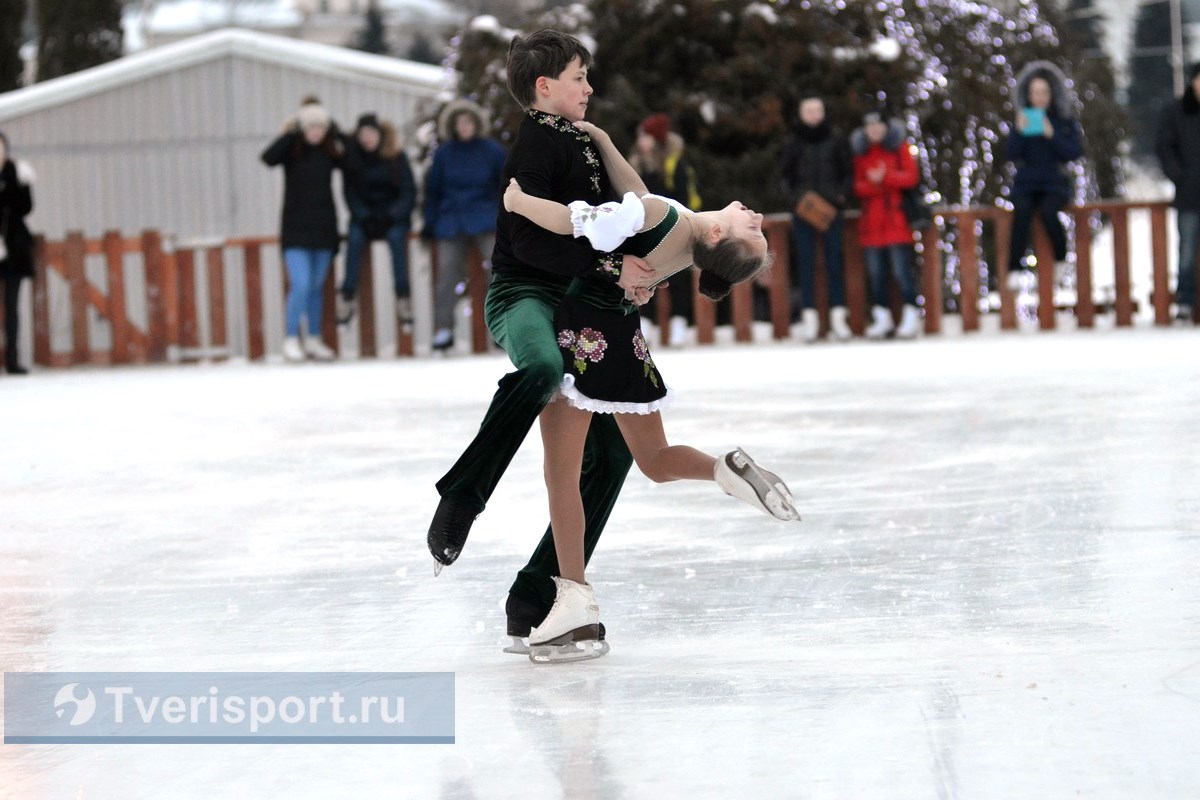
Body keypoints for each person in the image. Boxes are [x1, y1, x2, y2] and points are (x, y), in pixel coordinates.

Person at [502, 123, 800, 658]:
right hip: (623, 343)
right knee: (656, 459)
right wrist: (602, 140)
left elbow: (575, 222)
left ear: (717, 237)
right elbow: (639, 195)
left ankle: (575, 604)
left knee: (562, 477)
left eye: (752, 230)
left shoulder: (667, 219)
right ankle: (720, 468)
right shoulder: (683, 241)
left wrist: (520, 203)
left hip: (579, 338)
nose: (756, 218)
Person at [425, 30, 656, 654]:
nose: (590, 88)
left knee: (612, 456)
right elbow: (528, 241)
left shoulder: (584, 141)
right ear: (544, 86)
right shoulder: (538, 136)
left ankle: (536, 595)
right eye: (580, 77)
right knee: (542, 369)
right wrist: (608, 267)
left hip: (582, 307)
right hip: (524, 296)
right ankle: (462, 497)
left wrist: (633, 272)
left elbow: (626, 220)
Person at [261, 96, 343, 362]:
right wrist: (292, 131)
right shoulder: (292, 151)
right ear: (303, 129)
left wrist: (336, 129)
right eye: (311, 127)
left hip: (323, 230)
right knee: (302, 283)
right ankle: (291, 338)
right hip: (295, 231)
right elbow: (268, 157)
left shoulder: (328, 153)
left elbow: (351, 157)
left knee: (316, 287)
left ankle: (315, 338)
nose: (316, 132)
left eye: (321, 127)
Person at [422, 99, 507, 351]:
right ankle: (444, 329)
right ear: (453, 126)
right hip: (451, 219)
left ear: (476, 123)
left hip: (485, 217)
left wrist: (507, 220)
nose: (465, 127)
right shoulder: (444, 153)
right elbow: (432, 191)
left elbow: (504, 186)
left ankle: (501, 327)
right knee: (447, 273)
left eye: (469, 121)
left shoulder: (492, 151)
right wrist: (429, 222)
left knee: (499, 270)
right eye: (460, 122)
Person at [779, 93, 854, 342]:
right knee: (806, 264)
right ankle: (809, 320)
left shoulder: (836, 139)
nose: (813, 115)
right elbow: (783, 177)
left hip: (832, 211)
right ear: (801, 114)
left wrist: (840, 196)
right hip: (803, 212)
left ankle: (838, 319)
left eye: (817, 110)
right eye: (808, 110)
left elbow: (848, 173)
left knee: (835, 262)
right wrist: (795, 200)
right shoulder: (793, 142)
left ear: (824, 112)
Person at [1005, 62, 1083, 295]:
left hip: (1054, 182)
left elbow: (1072, 152)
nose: (1039, 97)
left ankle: (1060, 259)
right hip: (1027, 183)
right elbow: (1011, 154)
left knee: (1050, 212)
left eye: (1044, 92)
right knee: (1022, 212)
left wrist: (1052, 134)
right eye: (1035, 92)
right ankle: (1014, 269)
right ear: (1028, 95)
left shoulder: (1064, 120)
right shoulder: (1022, 119)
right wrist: (1018, 131)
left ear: (1052, 94)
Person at [337, 113, 417, 330]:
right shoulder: (352, 161)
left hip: (393, 217)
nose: (367, 138)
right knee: (354, 240)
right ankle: (347, 296)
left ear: (380, 135)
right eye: (363, 134)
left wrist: (391, 215)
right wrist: (364, 216)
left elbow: (408, 191)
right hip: (365, 217)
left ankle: (403, 298)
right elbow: (350, 193)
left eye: (371, 133)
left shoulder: (396, 157)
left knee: (395, 240)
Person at [628, 113, 703, 345]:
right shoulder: (636, 162)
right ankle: (647, 325)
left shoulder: (672, 162)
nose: (642, 141)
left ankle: (679, 323)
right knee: (646, 274)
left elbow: (681, 196)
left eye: (647, 136)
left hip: (673, 225)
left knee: (677, 277)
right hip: (644, 227)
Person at [851, 110, 921, 340]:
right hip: (871, 223)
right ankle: (882, 317)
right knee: (877, 274)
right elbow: (857, 186)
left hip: (896, 220)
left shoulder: (899, 148)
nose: (875, 131)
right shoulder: (861, 153)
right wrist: (878, 183)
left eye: (879, 126)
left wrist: (885, 177)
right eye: (870, 127)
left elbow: (911, 177)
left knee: (902, 272)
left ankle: (911, 315)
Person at [1155, 62, 1200, 325]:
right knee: (1186, 252)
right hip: (1189, 194)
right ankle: (1184, 302)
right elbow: (1164, 146)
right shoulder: (1176, 112)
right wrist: (1180, 176)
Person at [0, 131, 35, 376]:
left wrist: (23, 184)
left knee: (12, 307)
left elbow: (26, 207)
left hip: (13, 250)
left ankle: (13, 359)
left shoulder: (17, 174)